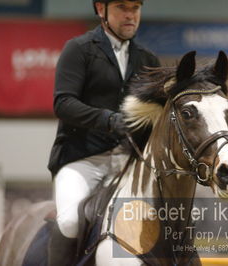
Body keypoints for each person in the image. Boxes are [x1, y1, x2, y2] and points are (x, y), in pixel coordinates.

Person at [47, 0, 160, 265]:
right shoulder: (79, 49)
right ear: (101, 9)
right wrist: (108, 120)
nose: (131, 15)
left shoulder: (148, 59)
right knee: (72, 221)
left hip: (128, 165)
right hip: (82, 159)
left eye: (136, 8)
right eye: (122, 7)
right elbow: (63, 103)